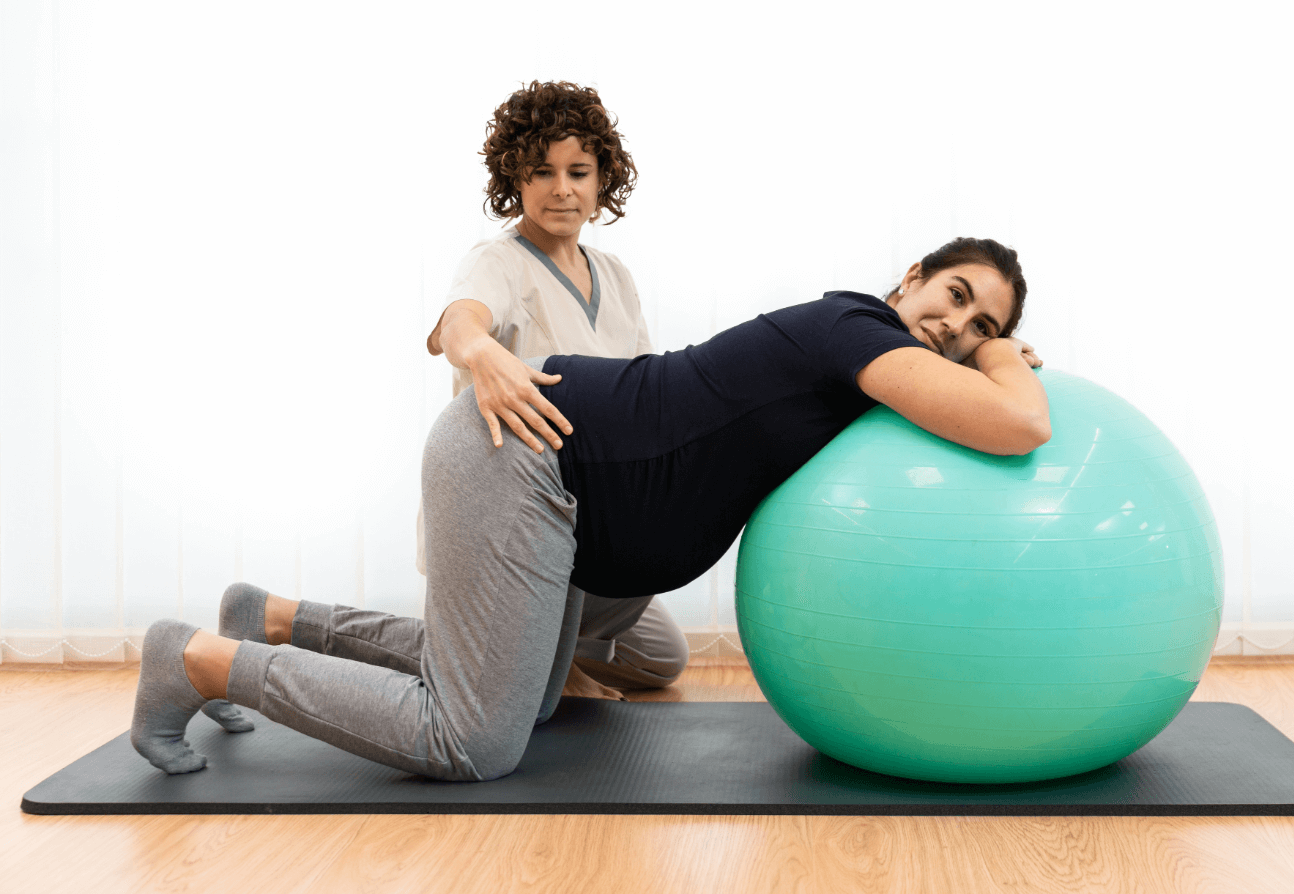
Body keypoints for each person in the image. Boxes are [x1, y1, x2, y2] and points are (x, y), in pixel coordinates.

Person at [130, 237, 1049, 779]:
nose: (956, 330)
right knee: (472, 737)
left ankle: (277, 618)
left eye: (981, 329)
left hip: (570, 504)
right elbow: (1017, 425)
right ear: (913, 277)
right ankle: (201, 661)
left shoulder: (870, 367)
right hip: (527, 458)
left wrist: (991, 353)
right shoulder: (856, 330)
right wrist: (1008, 356)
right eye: (957, 299)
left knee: (524, 700)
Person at [193, 81, 686, 738]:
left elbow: (648, 389)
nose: (561, 188)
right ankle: (284, 622)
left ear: (603, 182)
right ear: (515, 178)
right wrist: (482, 354)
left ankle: (535, 654)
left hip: (586, 523)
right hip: (516, 524)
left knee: (661, 657)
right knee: (521, 701)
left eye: (577, 172)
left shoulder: (616, 277)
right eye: (541, 172)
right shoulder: (499, 263)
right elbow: (460, 323)